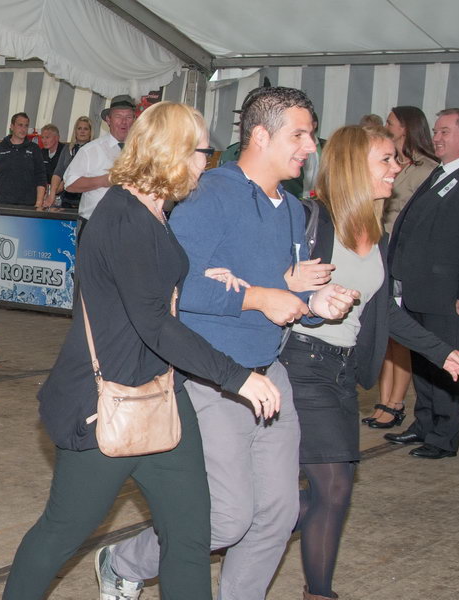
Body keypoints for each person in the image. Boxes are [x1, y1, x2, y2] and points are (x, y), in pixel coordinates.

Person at [2, 102, 283, 600]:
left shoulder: (153, 210)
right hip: (106, 402)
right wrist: (237, 376)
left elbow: (152, 287)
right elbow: (154, 323)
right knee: (61, 533)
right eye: (203, 151)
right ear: (174, 151)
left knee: (189, 537)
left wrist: (205, 276)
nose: (207, 163)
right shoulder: (123, 217)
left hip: (161, 395)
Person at [102, 87, 359, 600]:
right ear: (260, 136)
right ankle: (123, 561)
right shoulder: (209, 195)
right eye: (299, 135)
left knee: (278, 514)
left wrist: (313, 303)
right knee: (227, 517)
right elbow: (174, 289)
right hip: (213, 377)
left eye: (311, 136)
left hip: (270, 373)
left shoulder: (291, 208)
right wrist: (259, 296)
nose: (310, 147)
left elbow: (278, 291)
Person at [279, 125, 459, 600]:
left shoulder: (376, 232)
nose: (396, 168)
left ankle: (244, 522)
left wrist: (441, 351)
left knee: (332, 491)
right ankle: (316, 590)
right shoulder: (310, 220)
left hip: (344, 371)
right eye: (386, 160)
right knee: (334, 488)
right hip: (302, 363)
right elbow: (270, 284)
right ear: (353, 166)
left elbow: (383, 310)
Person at [385, 108, 459, 458]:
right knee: (424, 360)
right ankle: (424, 424)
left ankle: (443, 438)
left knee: (450, 365)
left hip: (451, 295)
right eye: (436, 131)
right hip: (423, 289)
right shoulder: (440, 172)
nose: (436, 138)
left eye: (445, 132)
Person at [368, 106, 439, 428]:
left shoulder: (427, 169)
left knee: (400, 333)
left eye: (391, 123)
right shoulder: (395, 164)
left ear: (407, 128)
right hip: (381, 248)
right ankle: (384, 399)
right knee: (384, 331)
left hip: (404, 256)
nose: (386, 126)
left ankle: (396, 402)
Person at [63, 95, 135, 229]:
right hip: (95, 225)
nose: (124, 122)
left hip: (130, 226)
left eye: (128, 117)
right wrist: (105, 180)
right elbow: (70, 184)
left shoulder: (142, 152)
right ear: (108, 120)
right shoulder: (90, 150)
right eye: (118, 116)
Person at [0, 112, 47, 207]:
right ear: (12, 127)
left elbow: (41, 177)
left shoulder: (34, 149)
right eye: (20, 125)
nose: (23, 129)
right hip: (2, 203)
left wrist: (39, 202)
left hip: (28, 204)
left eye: (26, 126)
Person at [44, 116, 93, 209]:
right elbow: (58, 172)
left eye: (86, 129)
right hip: (67, 198)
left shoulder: (94, 149)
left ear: (90, 132)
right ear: (75, 131)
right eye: (79, 128)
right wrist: (52, 194)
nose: (82, 131)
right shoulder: (67, 148)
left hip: (86, 198)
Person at [39, 123, 64, 188]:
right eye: (42, 137)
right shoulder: (42, 152)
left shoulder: (65, 152)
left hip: (61, 189)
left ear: (57, 138)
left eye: (47, 137)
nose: (44, 141)